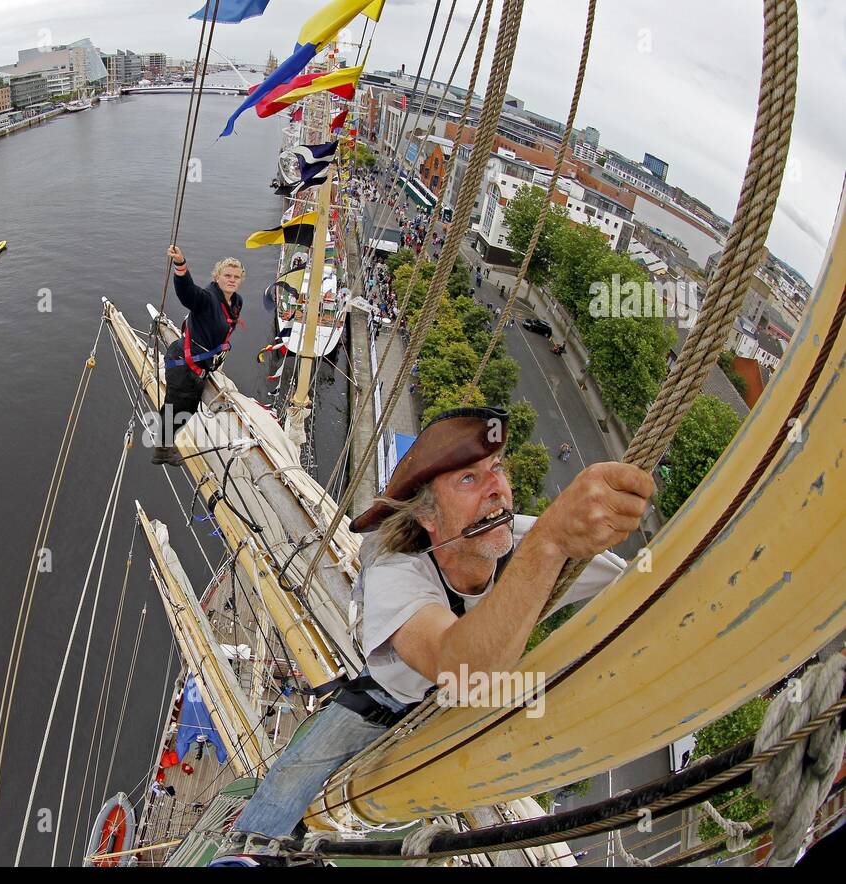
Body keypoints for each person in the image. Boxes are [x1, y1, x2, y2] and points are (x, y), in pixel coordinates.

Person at [220, 407, 653, 849]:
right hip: (391, 700)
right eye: (468, 479)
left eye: (496, 469)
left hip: (469, 707)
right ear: (427, 516)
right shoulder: (395, 571)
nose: (498, 490)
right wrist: (550, 544)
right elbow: (460, 667)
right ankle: (249, 852)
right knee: (297, 770)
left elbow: (640, 578)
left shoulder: (518, 541)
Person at [152, 244, 245, 466]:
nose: (232, 280)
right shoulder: (207, 298)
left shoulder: (236, 301)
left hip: (199, 365)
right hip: (185, 366)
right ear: (217, 277)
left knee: (189, 408)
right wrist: (181, 265)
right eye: (227, 275)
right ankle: (162, 450)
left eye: (236, 276)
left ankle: (166, 443)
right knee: (176, 408)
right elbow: (187, 293)